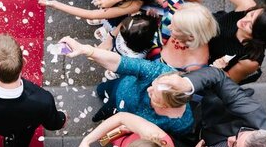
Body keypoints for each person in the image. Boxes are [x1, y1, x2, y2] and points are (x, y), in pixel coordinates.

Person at [61, 36, 193, 136]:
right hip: (120, 88)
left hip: (126, 124)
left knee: (104, 115)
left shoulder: (180, 123)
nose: (148, 89)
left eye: (154, 95)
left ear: (165, 105)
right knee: (101, 90)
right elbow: (120, 62)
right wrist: (87, 50)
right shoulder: (158, 72)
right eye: (153, 84)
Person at [95, 0, 219, 72]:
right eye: (172, 21)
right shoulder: (178, 10)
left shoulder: (195, 65)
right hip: (142, 41)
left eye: (175, 28)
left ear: (190, 36)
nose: (169, 26)